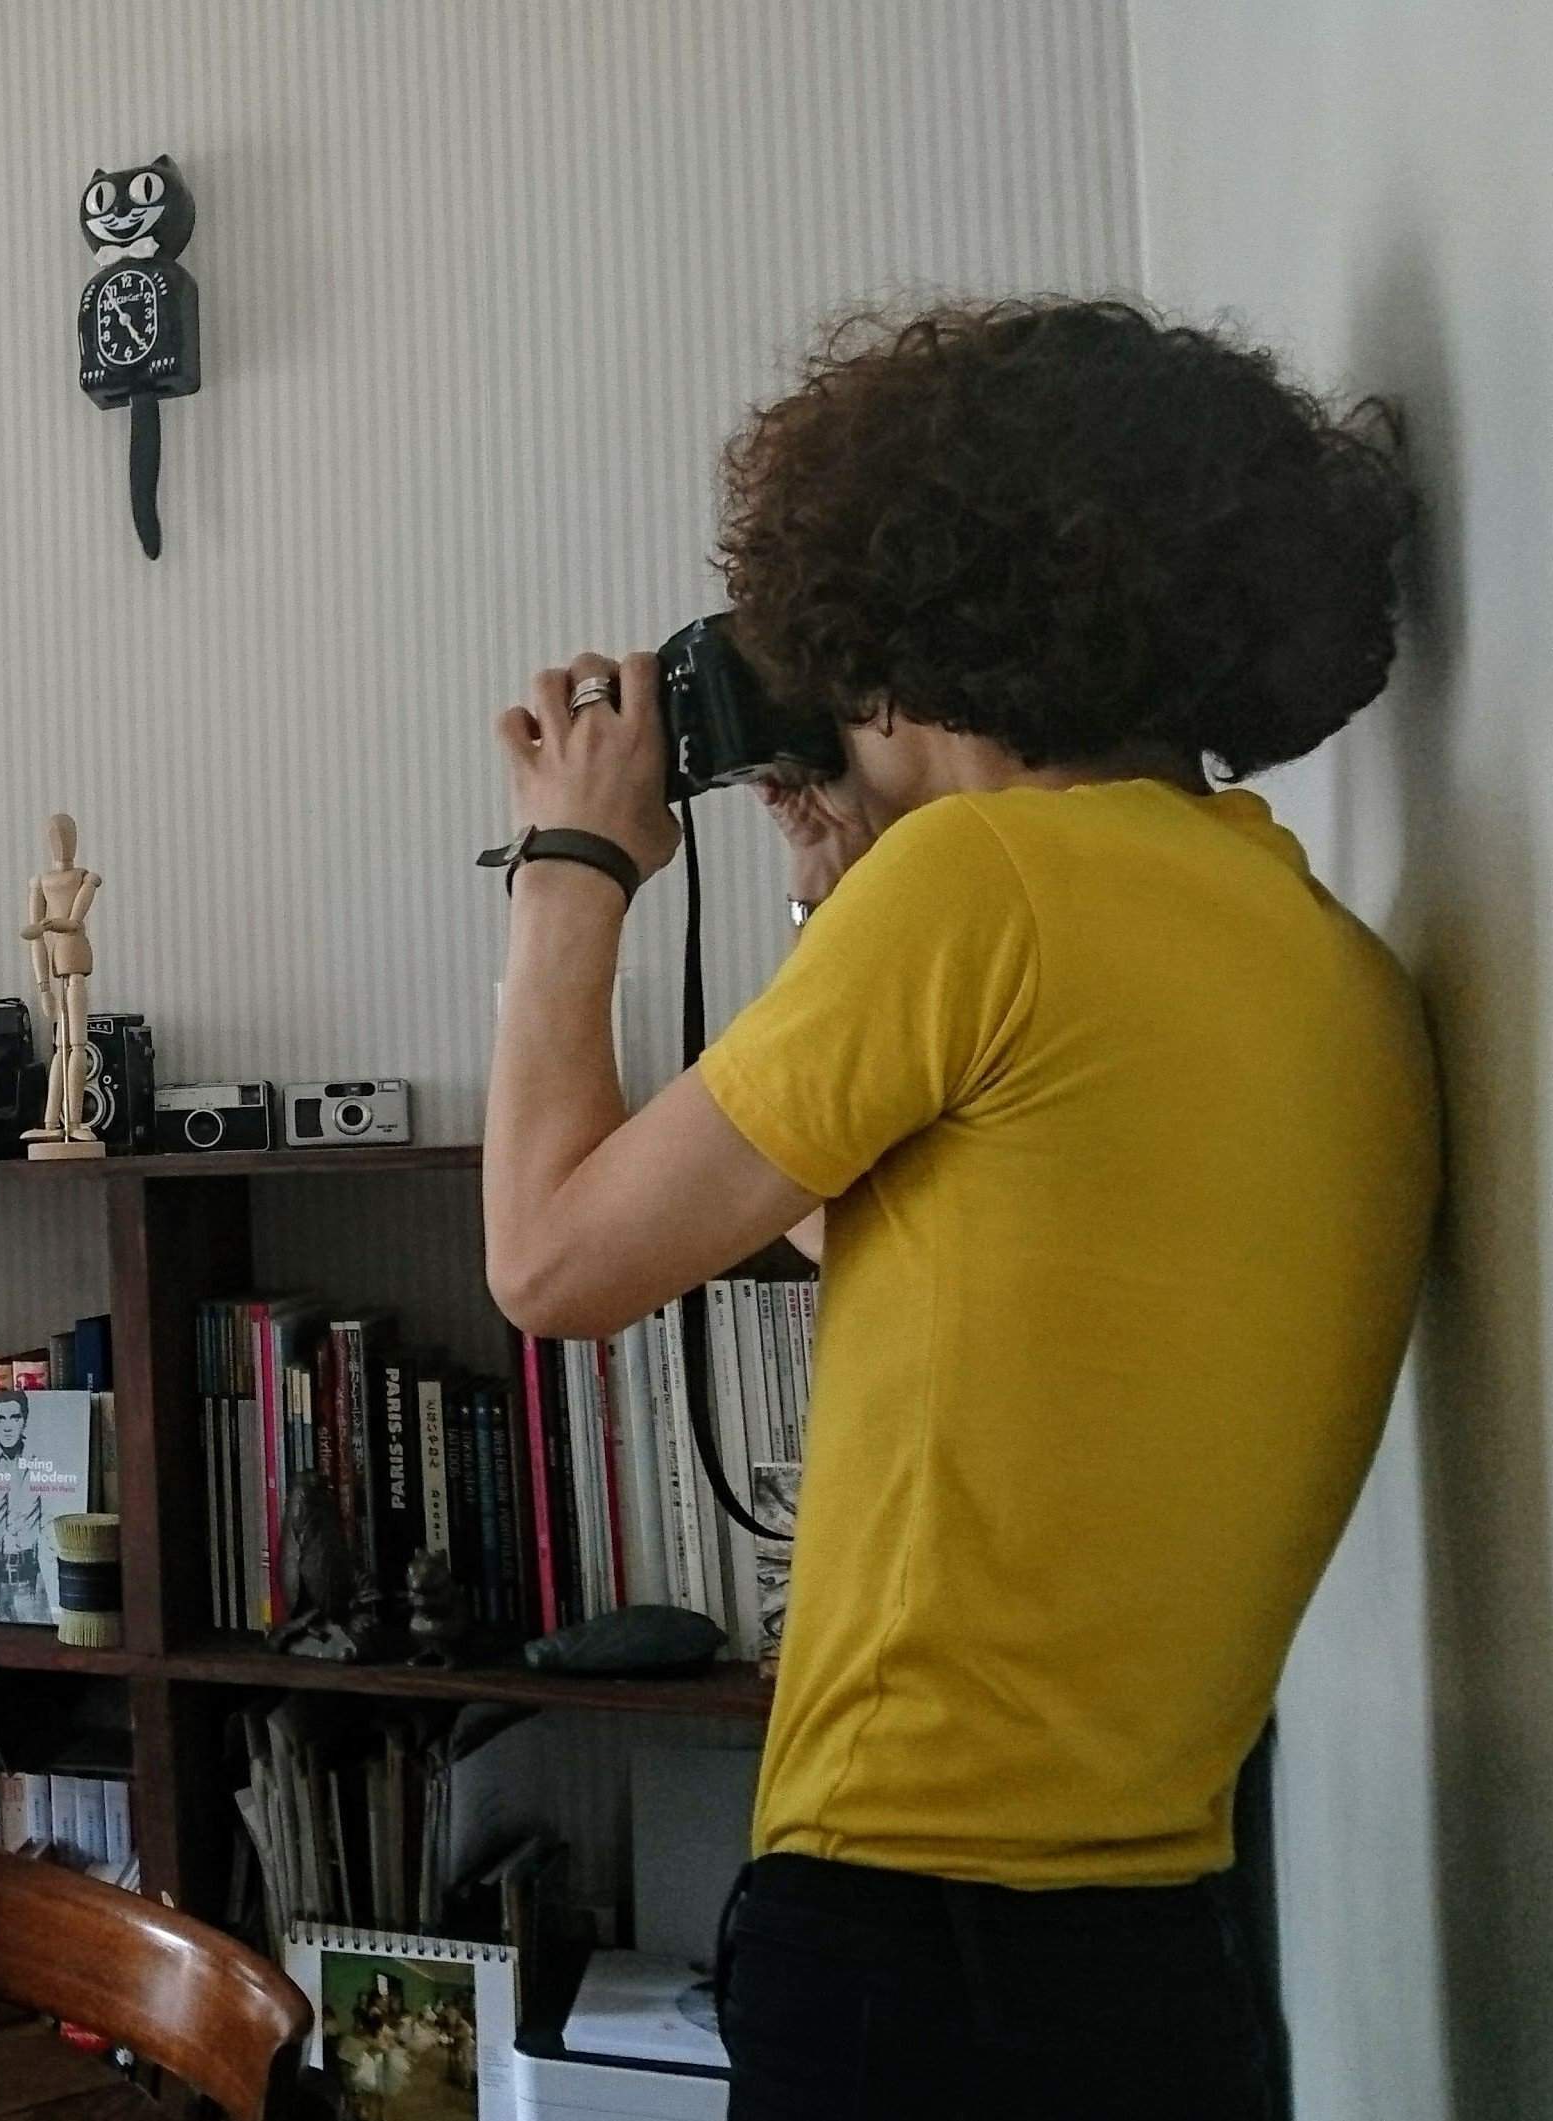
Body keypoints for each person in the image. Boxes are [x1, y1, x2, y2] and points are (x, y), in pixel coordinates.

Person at [476, 300, 1429, 2120]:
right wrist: (838, 892)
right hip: (1162, 1934)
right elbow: (885, 1229)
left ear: (903, 628)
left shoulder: (985, 888)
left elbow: (552, 1261)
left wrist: (566, 861)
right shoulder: (1312, 946)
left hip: (916, 1936)